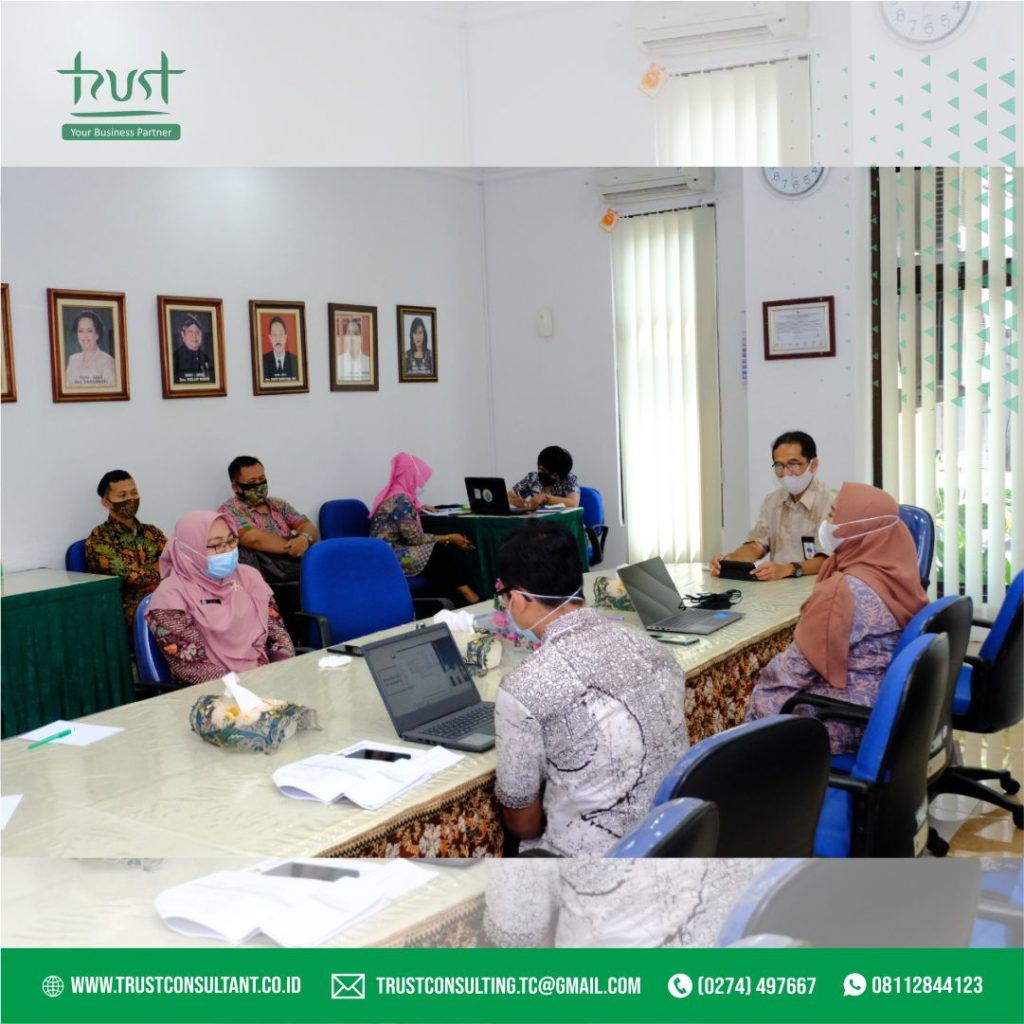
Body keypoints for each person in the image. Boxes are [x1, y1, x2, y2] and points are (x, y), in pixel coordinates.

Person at [493, 522, 688, 856]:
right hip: (672, 840)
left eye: (504, 595)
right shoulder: (652, 649)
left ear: (520, 598)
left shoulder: (523, 688)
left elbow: (524, 824)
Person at [743, 482, 928, 754]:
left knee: (758, 699)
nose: (826, 523)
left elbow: (792, 673)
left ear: (856, 529)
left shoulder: (843, 591)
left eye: (832, 515)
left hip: (847, 719)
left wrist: (750, 712)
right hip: (888, 706)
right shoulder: (897, 575)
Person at [146, 511, 294, 685]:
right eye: (216, 545)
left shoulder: (249, 577)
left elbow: (279, 636)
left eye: (231, 541)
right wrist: (243, 688)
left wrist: (281, 673)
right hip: (213, 691)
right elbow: (192, 667)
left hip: (265, 677)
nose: (227, 550)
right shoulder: (170, 597)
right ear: (189, 549)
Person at [711, 430, 836, 582]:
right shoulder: (773, 501)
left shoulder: (832, 502)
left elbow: (830, 559)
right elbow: (757, 545)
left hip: (817, 588)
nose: (785, 473)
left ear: (813, 465)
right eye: (779, 466)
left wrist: (788, 569)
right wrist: (728, 561)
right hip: (777, 588)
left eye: (793, 464)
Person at [369, 452, 480, 605]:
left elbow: (403, 521)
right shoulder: (401, 501)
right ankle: (470, 597)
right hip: (392, 556)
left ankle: (458, 599)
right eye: (416, 477)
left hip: (393, 550)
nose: (418, 483)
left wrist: (418, 509)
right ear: (408, 476)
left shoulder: (398, 494)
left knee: (442, 552)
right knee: (440, 552)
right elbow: (415, 538)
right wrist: (450, 537)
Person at [85, 469, 167, 631]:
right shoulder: (99, 539)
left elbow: (178, 562)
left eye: (134, 493)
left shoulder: (152, 532)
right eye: (122, 495)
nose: (131, 499)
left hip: (163, 596)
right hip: (125, 607)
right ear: (106, 503)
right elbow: (132, 579)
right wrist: (162, 568)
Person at [508, 445, 581, 509]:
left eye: (553, 474)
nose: (545, 475)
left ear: (560, 475)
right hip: (536, 519)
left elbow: (573, 503)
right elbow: (509, 495)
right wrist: (521, 503)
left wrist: (546, 498)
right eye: (541, 469)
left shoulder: (568, 478)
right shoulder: (533, 478)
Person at [65, 310, 116, 386]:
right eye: (81, 331)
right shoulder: (72, 360)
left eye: (89, 331)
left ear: (97, 334)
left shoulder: (107, 361)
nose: (84, 335)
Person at [172, 313, 213, 383]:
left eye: (198, 332)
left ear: (202, 335)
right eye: (190, 332)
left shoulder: (206, 358)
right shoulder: (175, 358)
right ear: (183, 335)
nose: (194, 336)